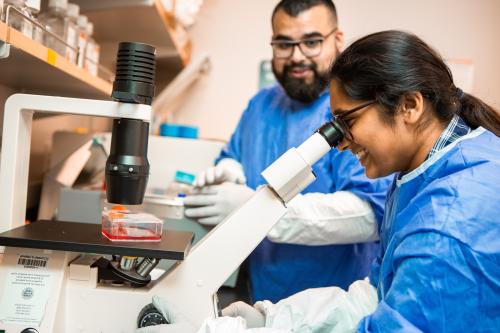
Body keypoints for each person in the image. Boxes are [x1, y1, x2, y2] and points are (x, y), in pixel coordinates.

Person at [138, 30, 500, 332]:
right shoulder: (423, 172)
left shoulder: (451, 218)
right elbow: (375, 298)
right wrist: (274, 320)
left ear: (409, 105)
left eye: (347, 121)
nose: (340, 143)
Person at [183, 0, 391, 305]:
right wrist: (230, 169)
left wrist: (261, 212)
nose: (296, 56)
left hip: (332, 307)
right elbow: (234, 154)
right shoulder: (260, 105)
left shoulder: (354, 113)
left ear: (337, 40)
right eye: (283, 44)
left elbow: (369, 215)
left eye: (311, 42)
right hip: (261, 297)